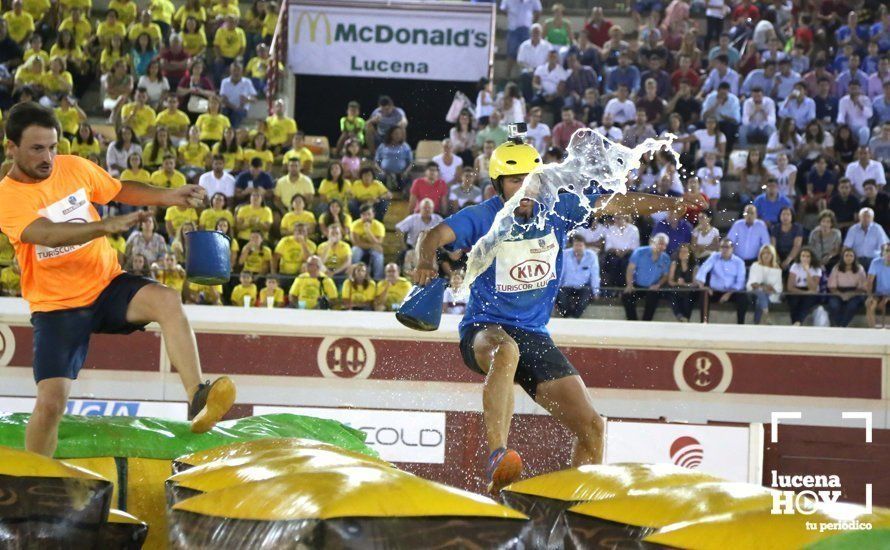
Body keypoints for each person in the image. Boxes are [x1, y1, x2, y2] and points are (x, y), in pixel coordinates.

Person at [412, 137, 698, 491]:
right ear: (497, 186)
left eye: (532, 179)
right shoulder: (484, 215)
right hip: (485, 330)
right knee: (506, 351)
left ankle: (571, 512)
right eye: (516, 181)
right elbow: (432, 234)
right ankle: (498, 456)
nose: (526, 188)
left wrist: (672, 204)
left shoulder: (559, 209)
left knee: (592, 428)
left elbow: (617, 202)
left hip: (534, 335)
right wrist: (425, 261)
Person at [0, 102, 235, 456]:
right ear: (11, 148)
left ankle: (197, 395)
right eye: (37, 149)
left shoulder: (73, 167)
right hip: (57, 307)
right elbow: (45, 234)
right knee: (50, 405)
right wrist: (102, 226)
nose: (48, 157)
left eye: (52, 146)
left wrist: (168, 195)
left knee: (167, 300)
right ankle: (35, 478)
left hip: (106, 284)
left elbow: (118, 189)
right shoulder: (6, 195)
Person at [696, 238, 748, 324]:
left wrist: (729, 293)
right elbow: (702, 270)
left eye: (727, 247)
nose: (724, 249)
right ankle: (704, 323)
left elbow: (740, 282)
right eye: (722, 247)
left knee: (743, 298)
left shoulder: (739, 262)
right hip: (715, 291)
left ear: (732, 249)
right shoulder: (714, 256)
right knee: (703, 294)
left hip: (732, 292)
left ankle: (740, 325)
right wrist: (703, 286)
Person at [623, 234, 671, 321]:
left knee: (653, 298)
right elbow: (630, 269)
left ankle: (646, 323)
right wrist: (629, 284)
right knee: (626, 296)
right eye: (660, 243)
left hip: (652, 287)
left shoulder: (666, 258)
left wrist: (658, 284)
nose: (662, 247)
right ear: (653, 242)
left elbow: (665, 276)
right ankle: (633, 322)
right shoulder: (639, 252)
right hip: (637, 285)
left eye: (664, 245)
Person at [557, 234, 599, 318]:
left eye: (580, 245)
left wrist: (596, 291)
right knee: (561, 299)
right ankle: (568, 317)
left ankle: (574, 318)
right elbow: (560, 272)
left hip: (583, 287)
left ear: (584, 246)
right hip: (566, 286)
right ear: (573, 245)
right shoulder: (565, 254)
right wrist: (556, 288)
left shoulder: (591, 256)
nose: (578, 247)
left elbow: (594, 274)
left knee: (584, 300)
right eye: (576, 245)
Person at [827, 247, 868, 327]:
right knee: (834, 305)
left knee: (852, 306)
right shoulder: (836, 268)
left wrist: (850, 294)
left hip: (855, 292)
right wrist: (841, 294)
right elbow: (831, 287)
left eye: (851, 256)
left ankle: (842, 326)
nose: (849, 258)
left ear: (854, 257)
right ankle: (839, 325)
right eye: (846, 255)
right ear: (843, 257)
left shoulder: (860, 269)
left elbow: (862, 288)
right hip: (838, 291)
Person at [746, 244, 783, 325]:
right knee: (760, 292)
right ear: (761, 255)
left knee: (760, 300)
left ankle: (756, 323)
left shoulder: (777, 269)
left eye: (768, 253)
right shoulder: (755, 265)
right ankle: (766, 315)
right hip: (753, 294)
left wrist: (769, 288)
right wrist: (763, 287)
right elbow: (752, 283)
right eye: (764, 253)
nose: (766, 255)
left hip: (770, 295)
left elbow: (778, 288)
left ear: (773, 255)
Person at [786, 248, 823, 326]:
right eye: (803, 256)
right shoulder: (795, 266)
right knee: (793, 301)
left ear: (811, 258)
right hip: (797, 289)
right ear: (800, 257)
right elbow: (790, 287)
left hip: (811, 291)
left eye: (808, 256)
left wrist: (807, 271)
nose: (805, 258)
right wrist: (805, 292)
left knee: (806, 302)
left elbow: (813, 288)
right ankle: (795, 323)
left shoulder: (817, 268)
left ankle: (798, 322)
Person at [350, 205, 385, 280]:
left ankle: (377, 279)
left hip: (369, 247)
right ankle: (353, 276)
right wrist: (372, 245)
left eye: (369, 214)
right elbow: (355, 243)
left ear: (373, 214)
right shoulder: (355, 224)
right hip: (360, 248)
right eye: (364, 214)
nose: (366, 217)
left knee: (379, 256)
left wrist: (368, 231)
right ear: (360, 215)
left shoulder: (379, 226)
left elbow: (378, 243)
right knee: (355, 251)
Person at [668, 243, 698, 322]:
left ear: (689, 253)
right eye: (681, 251)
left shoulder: (694, 266)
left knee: (688, 297)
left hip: (689, 289)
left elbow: (695, 283)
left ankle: (685, 318)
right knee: (673, 294)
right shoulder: (674, 264)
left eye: (685, 252)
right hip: (677, 288)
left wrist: (684, 284)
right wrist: (678, 283)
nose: (682, 254)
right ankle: (680, 316)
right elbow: (670, 281)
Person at [866, 243, 890, 328]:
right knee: (869, 304)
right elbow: (869, 282)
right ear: (883, 252)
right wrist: (870, 296)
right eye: (887, 250)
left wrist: (886, 299)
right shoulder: (875, 262)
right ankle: (873, 331)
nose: (889, 253)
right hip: (879, 293)